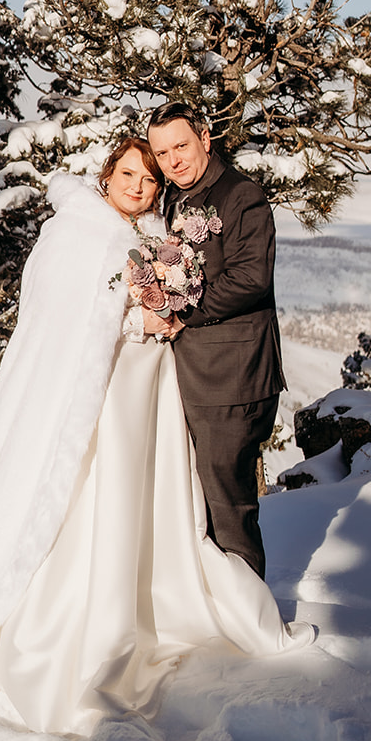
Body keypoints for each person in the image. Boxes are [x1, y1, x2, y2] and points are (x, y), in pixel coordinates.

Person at [0, 136, 313, 738]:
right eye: (129, 174)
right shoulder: (74, 228)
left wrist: (165, 301)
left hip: (147, 392)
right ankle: (87, 614)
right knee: (101, 492)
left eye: (150, 180)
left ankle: (157, 596)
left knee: (149, 493)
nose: (139, 187)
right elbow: (59, 313)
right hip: (102, 394)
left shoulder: (153, 233)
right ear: (107, 175)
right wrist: (132, 315)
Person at [146, 101, 284, 581]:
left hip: (235, 378)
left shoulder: (240, 195)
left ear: (205, 137)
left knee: (228, 504)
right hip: (194, 378)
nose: (173, 161)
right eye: (162, 153)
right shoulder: (173, 199)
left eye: (181, 145)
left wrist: (179, 310)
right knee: (200, 503)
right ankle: (219, 609)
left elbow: (251, 278)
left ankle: (251, 620)